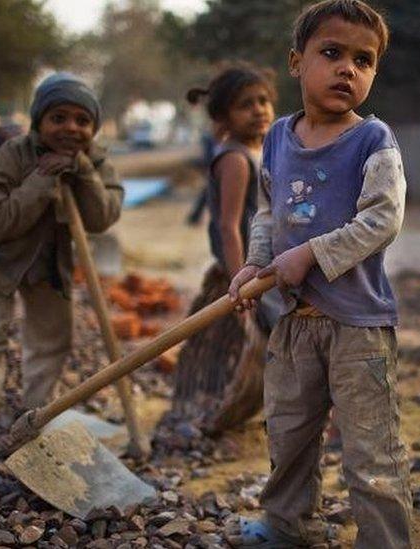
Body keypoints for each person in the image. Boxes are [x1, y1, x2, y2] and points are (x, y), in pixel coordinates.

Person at [227, 1, 411, 547]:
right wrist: (256, 263)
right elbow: (269, 209)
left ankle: (384, 540)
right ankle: (288, 527)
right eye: (331, 53)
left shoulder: (373, 142)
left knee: (371, 449)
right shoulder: (279, 137)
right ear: (296, 62)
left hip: (358, 325)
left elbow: (383, 218)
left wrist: (309, 254)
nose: (347, 69)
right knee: (288, 434)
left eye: (364, 59)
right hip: (294, 322)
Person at [0, 73, 123, 461]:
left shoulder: (96, 159)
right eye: (59, 118)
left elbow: (103, 217)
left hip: (50, 264)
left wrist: (82, 171)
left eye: (82, 121)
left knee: (53, 338)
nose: (71, 128)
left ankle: (35, 414)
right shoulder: (15, 154)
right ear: (39, 121)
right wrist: (41, 178)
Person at [159, 63, 282, 436]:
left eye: (264, 101)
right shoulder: (234, 159)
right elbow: (228, 224)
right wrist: (239, 280)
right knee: (266, 335)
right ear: (225, 117)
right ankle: (212, 408)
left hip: (271, 265)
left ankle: (279, 405)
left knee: (275, 340)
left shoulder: (264, 150)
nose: (259, 109)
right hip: (248, 269)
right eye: (246, 104)